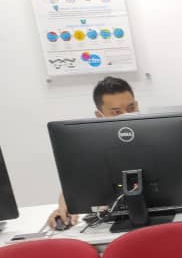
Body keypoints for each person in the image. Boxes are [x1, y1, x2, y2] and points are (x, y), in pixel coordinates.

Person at [47, 76, 140, 228]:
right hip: (113, 221)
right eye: (116, 112)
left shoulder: (161, 135)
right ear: (99, 116)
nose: (126, 115)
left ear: (137, 105)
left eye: (131, 108)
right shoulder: (90, 147)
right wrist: (65, 206)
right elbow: (75, 184)